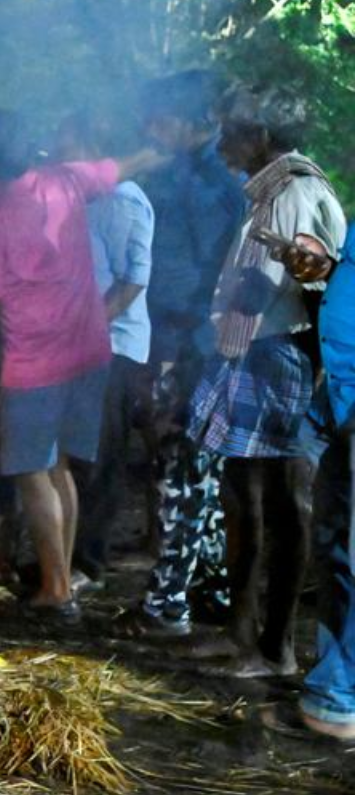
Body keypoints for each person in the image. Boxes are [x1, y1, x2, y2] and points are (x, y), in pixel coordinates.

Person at [0, 108, 160, 621]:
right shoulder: (65, 180)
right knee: (61, 466)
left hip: (35, 356)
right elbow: (124, 165)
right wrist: (164, 144)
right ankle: (60, 577)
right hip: (89, 349)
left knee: (30, 470)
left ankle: (57, 589)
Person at [186, 85, 347, 678]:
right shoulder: (272, 191)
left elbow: (280, 282)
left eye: (230, 130)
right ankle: (242, 630)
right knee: (242, 495)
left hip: (278, 355)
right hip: (255, 351)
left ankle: (275, 647)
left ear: (259, 136)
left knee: (282, 501)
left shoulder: (295, 192)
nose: (221, 142)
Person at [121, 71, 246, 639]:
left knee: (183, 471)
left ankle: (167, 604)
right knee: (199, 472)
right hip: (189, 341)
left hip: (196, 345)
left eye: (162, 118)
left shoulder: (213, 186)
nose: (151, 128)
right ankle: (214, 590)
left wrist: (180, 355)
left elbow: (210, 280)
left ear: (195, 122)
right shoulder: (189, 177)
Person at [55, 112, 156, 591]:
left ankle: (87, 563)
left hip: (110, 347)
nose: (59, 146)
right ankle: (65, 556)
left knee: (98, 456)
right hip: (82, 342)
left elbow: (131, 281)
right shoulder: (83, 198)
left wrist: (87, 330)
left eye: (67, 136)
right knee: (76, 453)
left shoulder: (121, 199)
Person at [299, 236, 355, 738]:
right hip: (341, 406)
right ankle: (334, 697)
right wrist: (330, 269)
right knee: (338, 552)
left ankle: (339, 698)